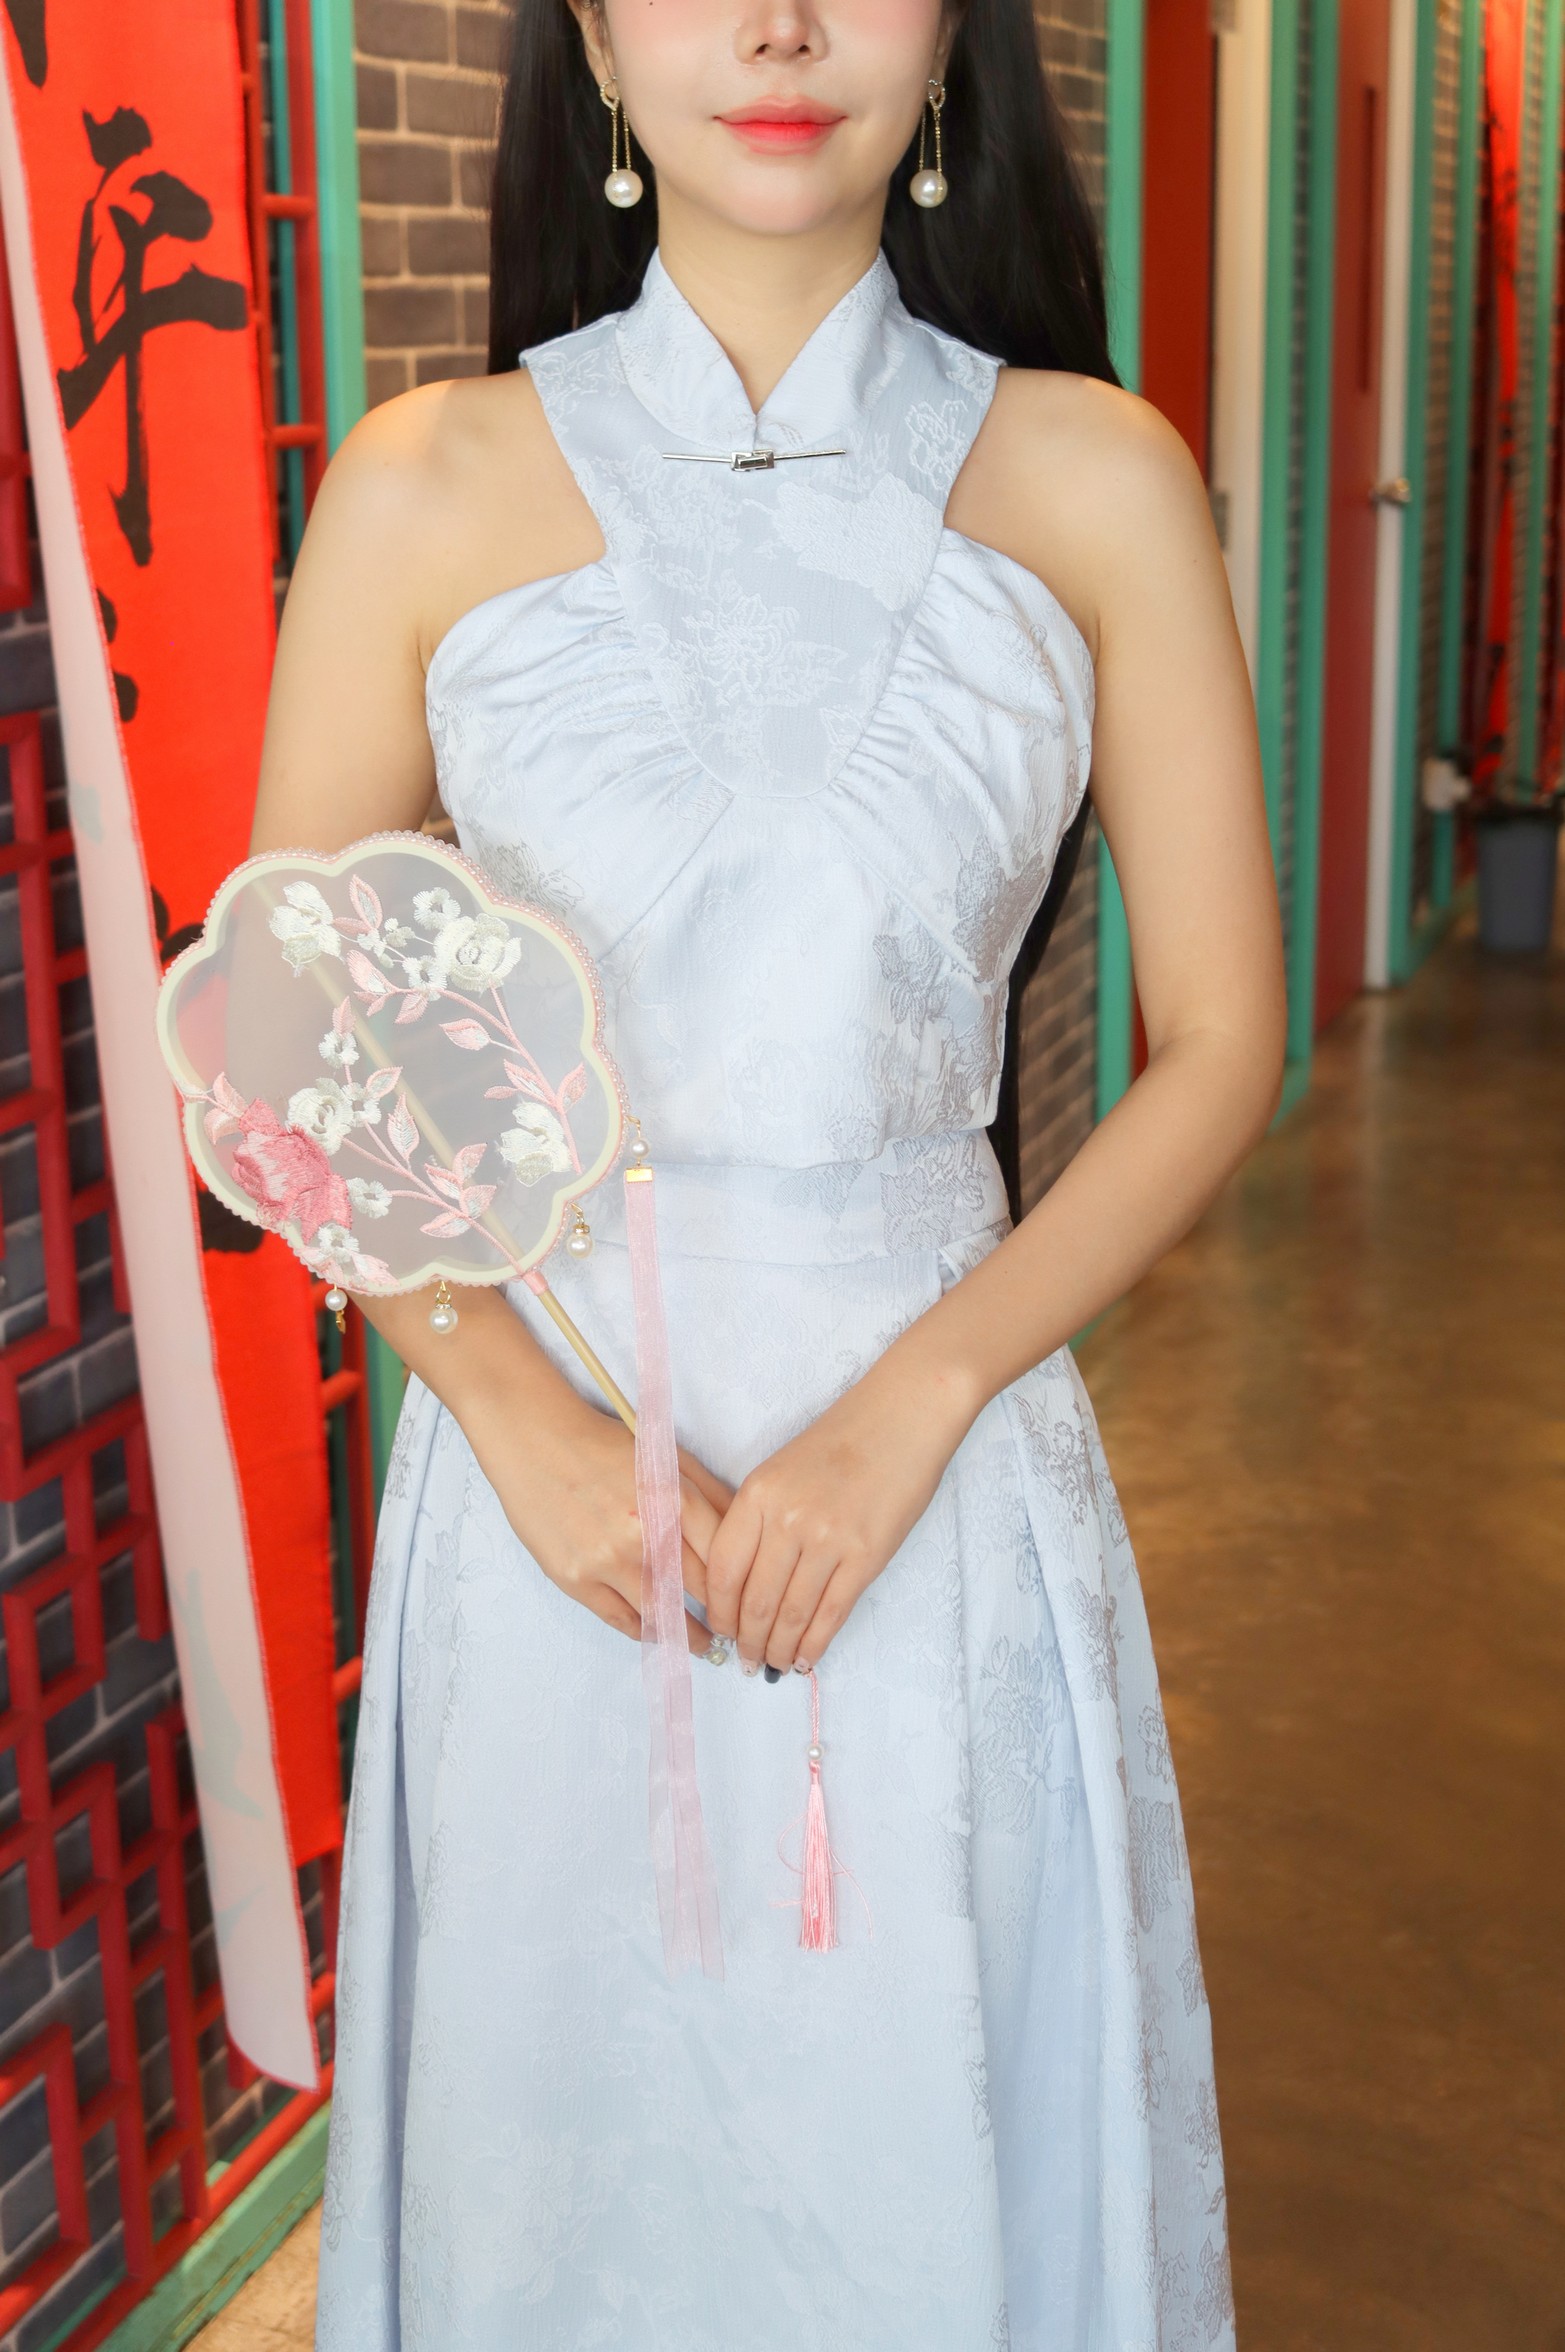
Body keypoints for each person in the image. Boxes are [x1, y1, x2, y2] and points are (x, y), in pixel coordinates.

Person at [255, 0, 1285, 2336]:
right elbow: (304, 1036)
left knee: (916, 2150)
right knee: (561, 2191)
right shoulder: (423, 484)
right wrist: (514, 1420)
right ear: (597, 38)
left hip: (941, 1482)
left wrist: (920, 1401)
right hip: (551, 1510)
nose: (783, 27)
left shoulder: (1094, 474)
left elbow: (1220, 1044)